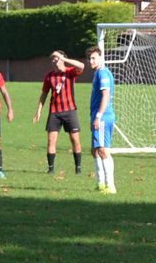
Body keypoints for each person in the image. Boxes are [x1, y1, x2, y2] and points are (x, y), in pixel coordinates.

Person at [34, 51, 85, 175]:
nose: (54, 61)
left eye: (56, 58)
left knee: (75, 140)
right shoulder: (49, 76)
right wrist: (38, 111)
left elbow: (82, 66)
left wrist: (64, 59)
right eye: (52, 59)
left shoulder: (69, 72)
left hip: (70, 111)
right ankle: (51, 169)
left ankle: (78, 168)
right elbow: (44, 94)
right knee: (51, 141)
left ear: (63, 59)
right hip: (55, 113)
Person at [87, 47, 118, 194]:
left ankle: (110, 186)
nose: (91, 61)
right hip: (98, 115)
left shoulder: (103, 74)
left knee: (103, 150)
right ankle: (100, 184)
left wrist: (98, 116)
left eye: (94, 58)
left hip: (104, 116)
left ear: (100, 58)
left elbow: (106, 95)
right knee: (95, 150)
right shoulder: (98, 73)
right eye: (90, 59)